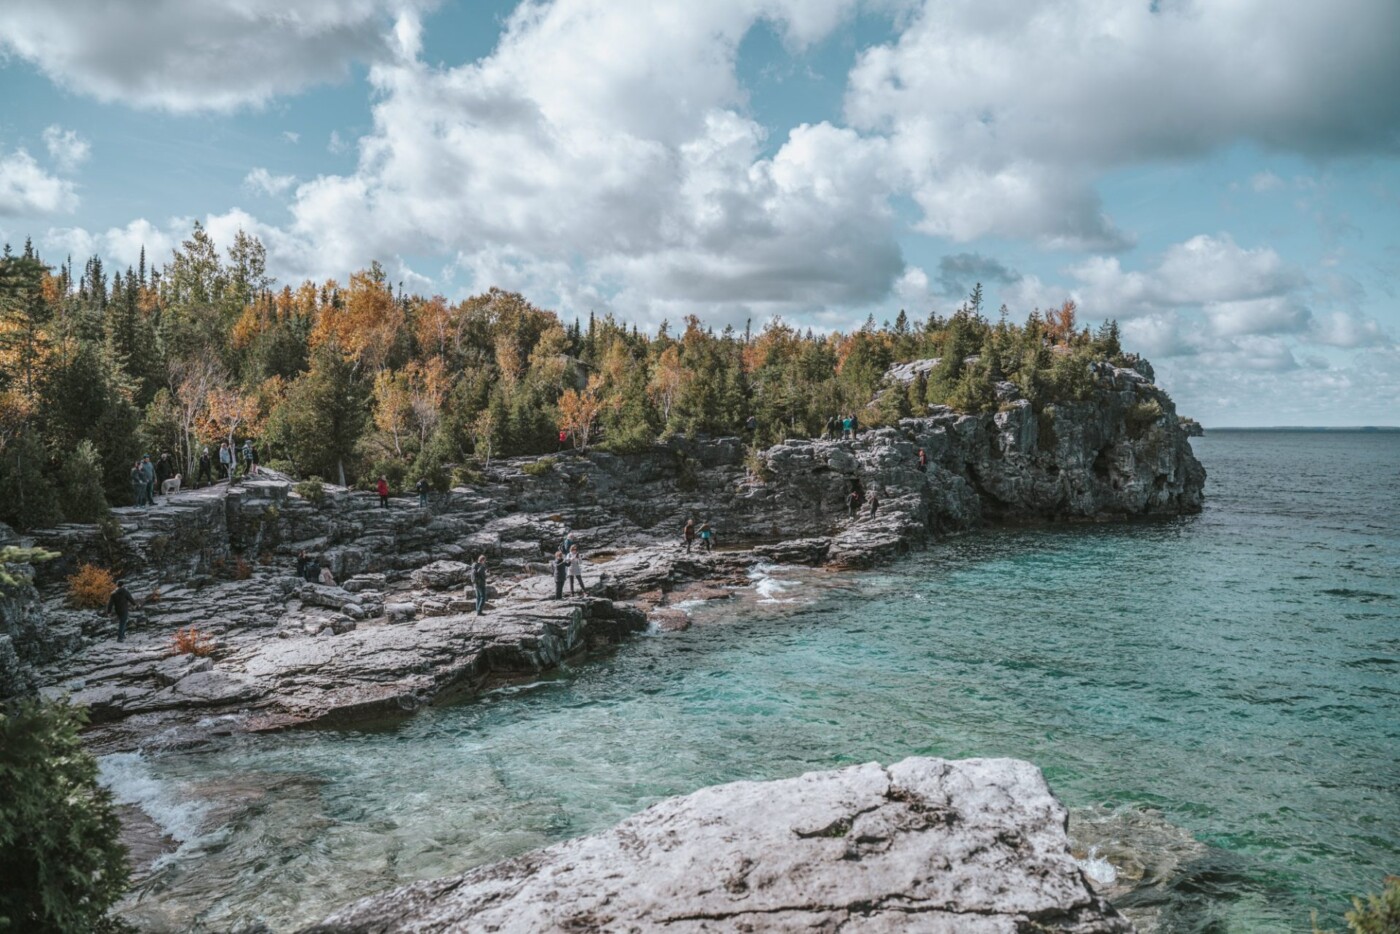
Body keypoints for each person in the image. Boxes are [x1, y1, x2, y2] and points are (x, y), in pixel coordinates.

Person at [105, 578, 135, 643]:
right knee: (122, 623)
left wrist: (109, 612)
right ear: (123, 585)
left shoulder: (113, 593)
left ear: (117, 585)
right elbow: (130, 599)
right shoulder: (125, 591)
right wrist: (135, 605)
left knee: (123, 621)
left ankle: (123, 635)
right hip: (124, 609)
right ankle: (120, 638)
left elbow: (110, 603)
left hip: (117, 610)